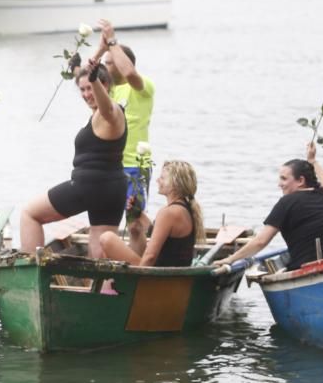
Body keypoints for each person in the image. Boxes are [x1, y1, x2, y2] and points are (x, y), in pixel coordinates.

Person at [20, 59, 127, 259]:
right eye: (82, 90)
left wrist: (94, 80)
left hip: (90, 186)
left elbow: (107, 107)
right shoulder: (100, 113)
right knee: (98, 250)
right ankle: (103, 290)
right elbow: (88, 72)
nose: (86, 94)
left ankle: (29, 274)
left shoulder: (111, 112)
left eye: (91, 88)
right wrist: (81, 66)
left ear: (104, 85)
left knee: (30, 214)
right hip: (113, 188)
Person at [215, 144, 323, 271]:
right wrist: (313, 160)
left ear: (301, 181)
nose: (279, 184)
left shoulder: (287, 202)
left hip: (310, 270)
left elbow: (260, 242)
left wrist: (231, 259)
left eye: (284, 179)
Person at [95, 19, 155, 254]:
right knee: (105, 222)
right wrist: (101, 48)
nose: (107, 68)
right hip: (109, 166)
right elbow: (88, 74)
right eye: (106, 63)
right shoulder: (107, 90)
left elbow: (129, 72)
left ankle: (138, 266)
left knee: (134, 226)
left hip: (135, 165)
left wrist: (112, 41)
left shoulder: (143, 87)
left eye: (111, 63)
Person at [100, 160, 204, 267]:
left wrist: (139, 278)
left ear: (175, 184)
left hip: (158, 278)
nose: (157, 180)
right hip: (174, 275)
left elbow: (150, 256)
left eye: (162, 178)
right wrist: (139, 215)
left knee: (107, 238)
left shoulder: (169, 213)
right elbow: (161, 235)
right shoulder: (185, 209)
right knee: (136, 231)